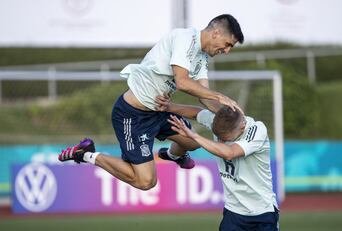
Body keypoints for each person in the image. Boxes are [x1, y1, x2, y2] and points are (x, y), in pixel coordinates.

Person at [58, 14, 244, 191]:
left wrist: (232, 116)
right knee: (146, 182)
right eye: (228, 44)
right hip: (133, 115)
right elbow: (182, 82)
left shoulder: (201, 57)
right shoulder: (185, 38)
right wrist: (219, 96)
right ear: (216, 32)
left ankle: (171, 155)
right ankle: (86, 154)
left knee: (193, 141)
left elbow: (204, 96)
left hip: (158, 111)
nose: (226, 51)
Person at [155, 96, 279, 231]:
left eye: (225, 139)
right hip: (233, 212)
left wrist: (193, 136)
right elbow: (197, 113)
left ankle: (173, 155)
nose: (220, 141)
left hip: (263, 213)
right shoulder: (222, 121)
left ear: (242, 126)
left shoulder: (257, 130)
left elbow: (229, 152)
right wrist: (169, 107)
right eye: (218, 137)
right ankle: (173, 155)